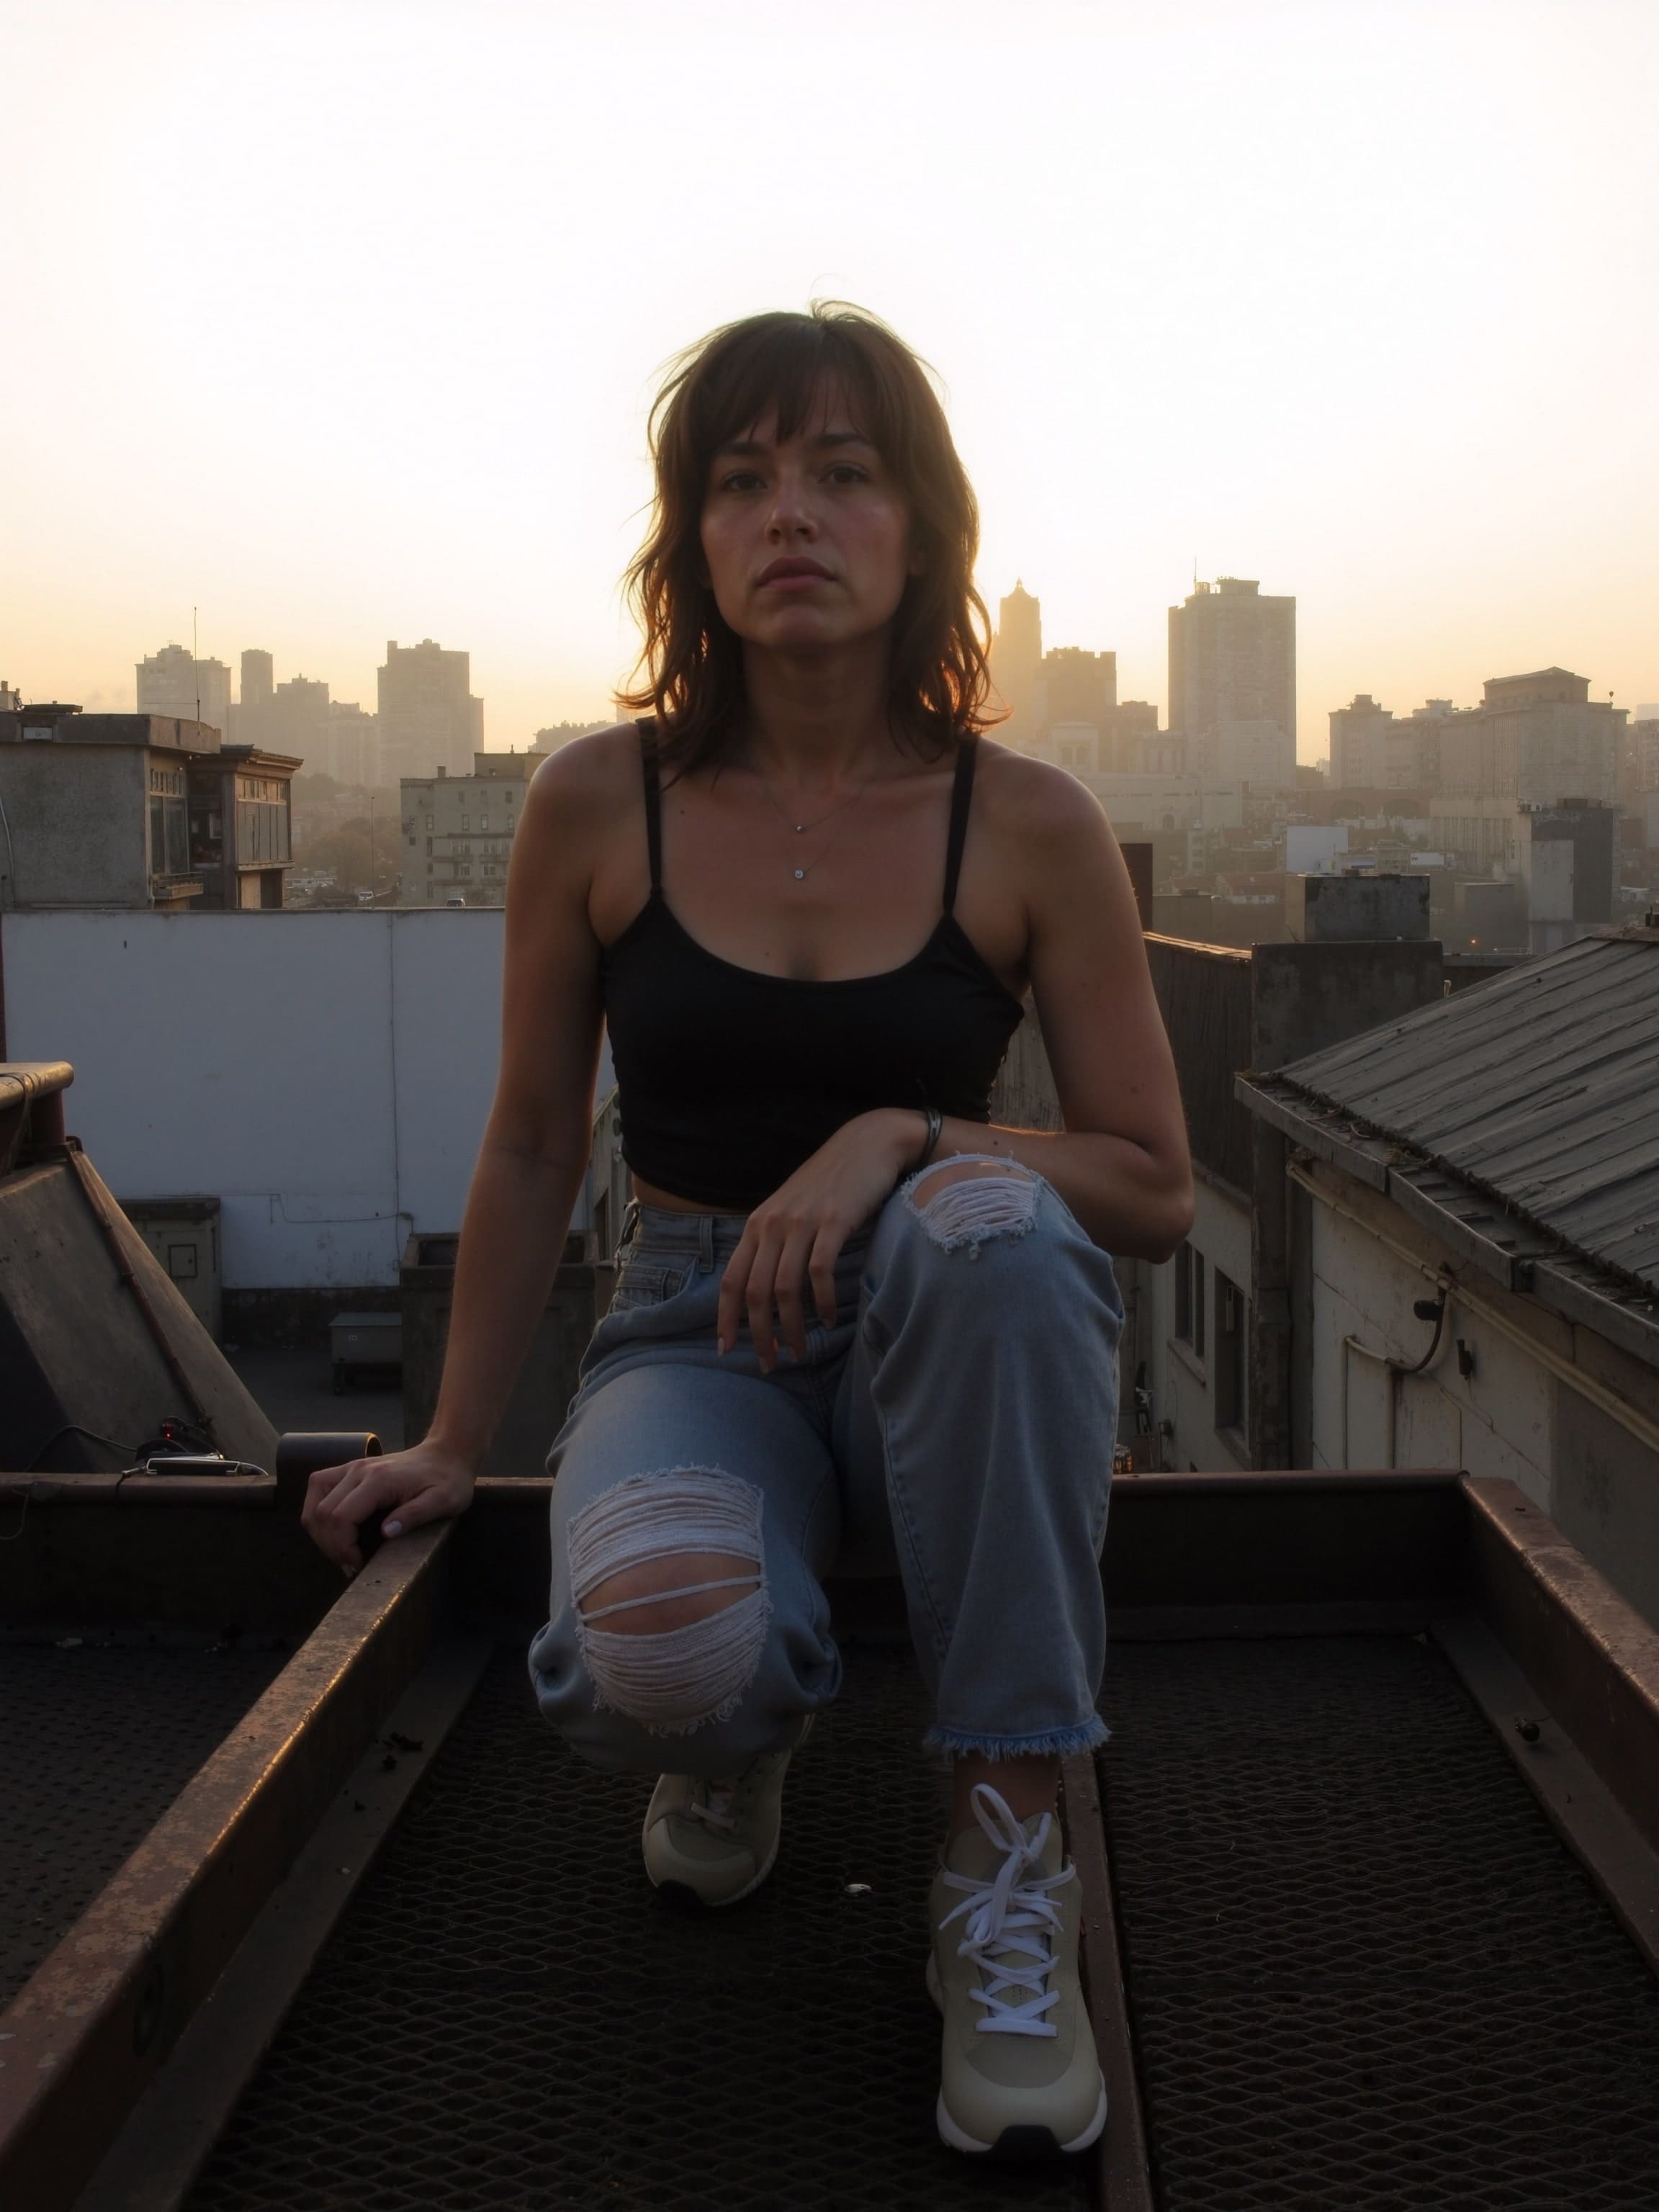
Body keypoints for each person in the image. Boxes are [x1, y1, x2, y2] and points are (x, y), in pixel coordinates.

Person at [303, 302, 1192, 2159]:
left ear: (924, 528)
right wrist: (460, 1441)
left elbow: (1154, 1188)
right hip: (695, 1327)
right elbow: (540, 1135)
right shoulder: (593, 801)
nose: (793, 512)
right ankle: (737, 1735)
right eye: (745, 477)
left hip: (948, 1339)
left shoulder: (1027, 823)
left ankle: (1004, 1863)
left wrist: (900, 1131)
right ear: (693, 541)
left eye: (844, 473)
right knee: (667, 1657)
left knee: (996, 1224)